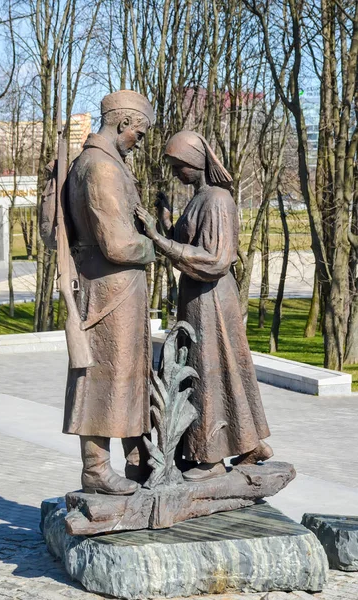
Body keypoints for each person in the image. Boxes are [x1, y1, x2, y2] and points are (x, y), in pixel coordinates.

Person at [136, 130, 273, 482]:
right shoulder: (199, 199)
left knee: (210, 373)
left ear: (196, 162)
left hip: (212, 299)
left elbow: (215, 259)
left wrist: (156, 238)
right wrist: (164, 221)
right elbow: (182, 242)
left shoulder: (217, 199)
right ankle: (248, 445)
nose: (176, 172)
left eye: (179, 165)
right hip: (197, 298)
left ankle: (211, 460)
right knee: (212, 372)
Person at [63, 90, 156, 495]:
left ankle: (137, 459)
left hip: (117, 287)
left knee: (128, 373)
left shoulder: (104, 162)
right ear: (123, 124)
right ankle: (97, 469)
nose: (139, 140)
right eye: (139, 132)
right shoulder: (100, 167)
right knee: (106, 376)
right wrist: (156, 244)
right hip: (110, 288)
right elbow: (119, 244)